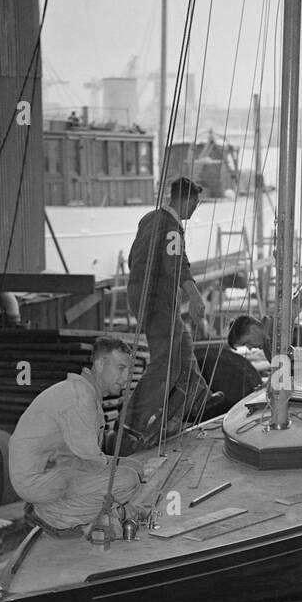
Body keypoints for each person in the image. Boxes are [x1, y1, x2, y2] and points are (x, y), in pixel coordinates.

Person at [8, 336, 144, 533]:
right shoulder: (80, 398)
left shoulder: (85, 392)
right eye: (121, 368)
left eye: (129, 371)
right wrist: (120, 491)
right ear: (100, 364)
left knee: (135, 468)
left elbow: (80, 457)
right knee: (128, 480)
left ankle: (80, 507)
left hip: (56, 469)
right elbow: (90, 462)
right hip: (38, 482)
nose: (126, 378)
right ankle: (55, 515)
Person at [126, 176, 222, 442]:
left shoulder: (149, 219)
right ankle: (132, 421)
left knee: (184, 345)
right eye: (196, 203)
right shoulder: (170, 227)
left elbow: (137, 258)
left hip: (145, 298)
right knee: (165, 363)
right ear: (187, 199)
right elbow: (177, 263)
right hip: (157, 302)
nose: (195, 209)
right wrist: (194, 296)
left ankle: (200, 397)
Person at [227, 314, 302, 365]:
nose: (249, 348)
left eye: (246, 343)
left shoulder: (283, 330)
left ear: (254, 329)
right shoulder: (266, 343)